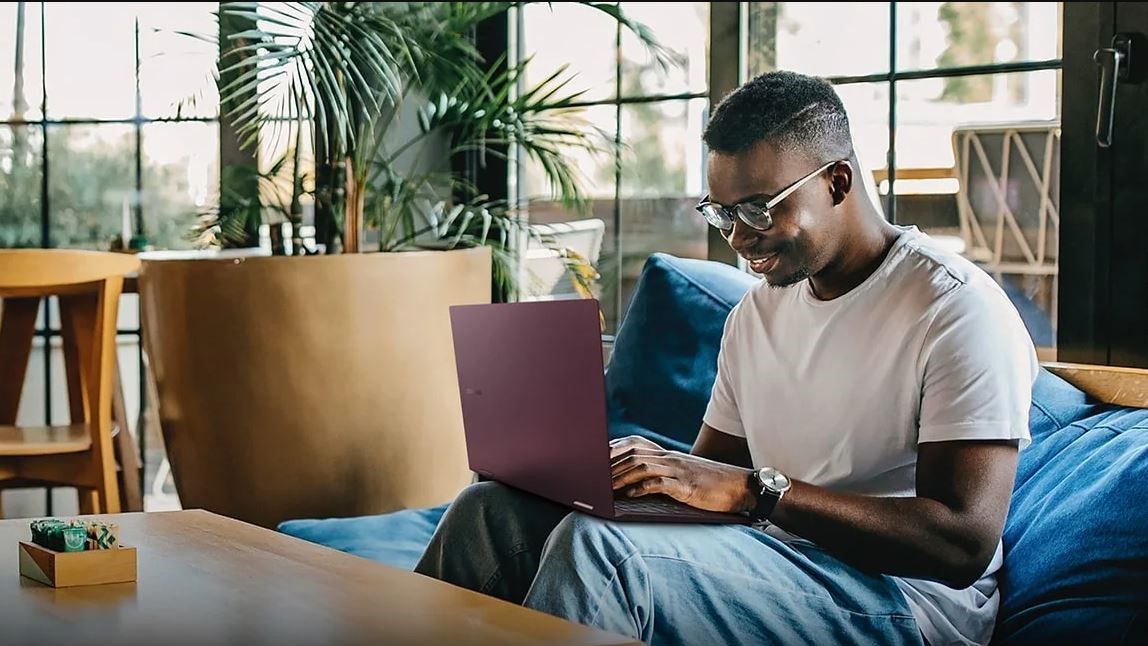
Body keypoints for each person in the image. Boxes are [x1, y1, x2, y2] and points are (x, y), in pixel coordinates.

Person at [415, 70, 1037, 646]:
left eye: (758, 209)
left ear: (837, 182)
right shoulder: (758, 315)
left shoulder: (955, 310)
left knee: (607, 551)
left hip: (907, 601)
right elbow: (711, 477)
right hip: (767, 553)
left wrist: (755, 492)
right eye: (721, 213)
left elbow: (960, 542)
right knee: (487, 513)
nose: (739, 238)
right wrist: (618, 475)